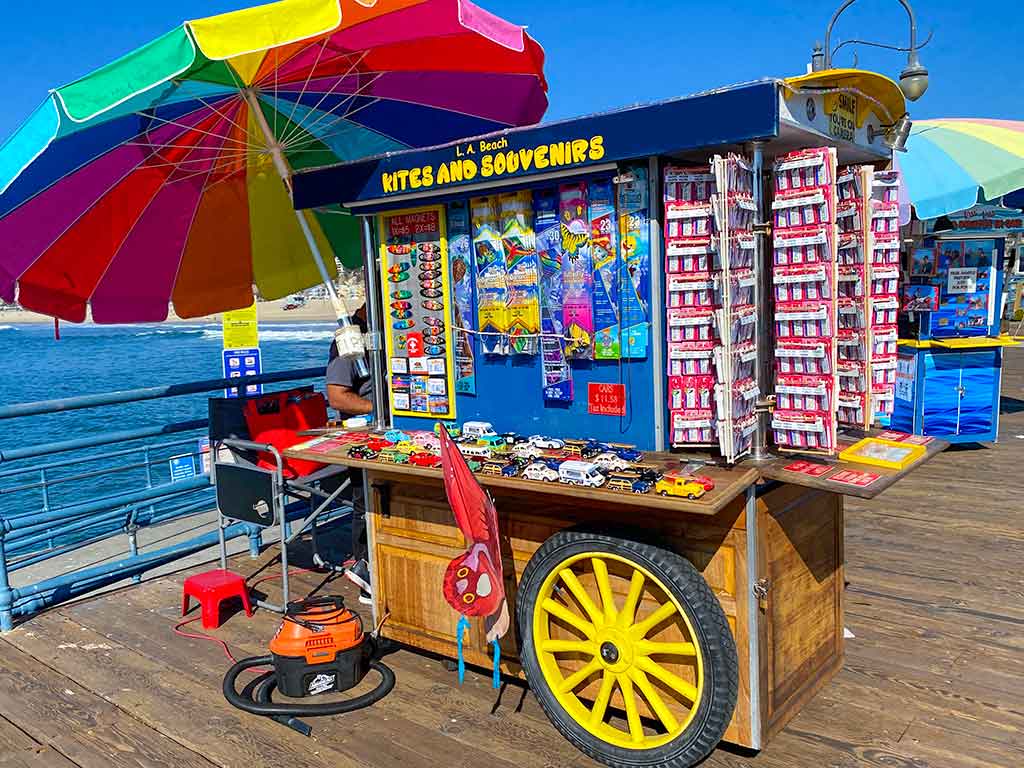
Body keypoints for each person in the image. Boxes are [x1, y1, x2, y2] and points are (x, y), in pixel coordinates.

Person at [325, 304, 373, 604]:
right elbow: (337, 396)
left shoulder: (386, 332)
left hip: (391, 429)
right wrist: (379, 408)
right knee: (365, 501)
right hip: (364, 432)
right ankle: (365, 571)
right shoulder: (348, 339)